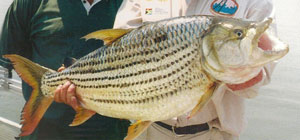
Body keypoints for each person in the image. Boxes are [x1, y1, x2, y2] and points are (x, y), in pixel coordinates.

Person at [112, 0, 277, 139]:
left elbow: (264, 72)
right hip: (150, 130)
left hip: (212, 133)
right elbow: (115, 52)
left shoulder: (254, 3)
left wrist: (245, 77)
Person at [0, 0, 130, 139]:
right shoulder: (30, 3)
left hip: (110, 131)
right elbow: (11, 56)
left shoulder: (131, 5)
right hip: (44, 131)